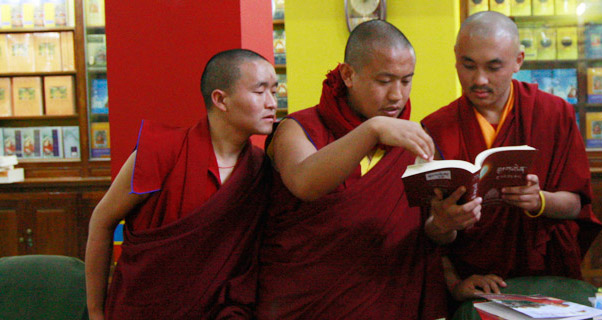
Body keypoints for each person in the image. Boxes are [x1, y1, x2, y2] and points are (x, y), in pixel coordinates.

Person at [255, 20, 452, 319]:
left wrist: (446, 224)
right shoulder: (299, 128)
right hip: (307, 306)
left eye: (406, 80)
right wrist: (372, 130)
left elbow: (431, 237)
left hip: (390, 304)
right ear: (348, 75)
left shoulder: (414, 141)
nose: (397, 95)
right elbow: (303, 182)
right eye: (384, 81)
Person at [85, 49, 279, 319]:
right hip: (144, 309)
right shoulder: (161, 151)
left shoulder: (259, 169)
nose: (272, 103)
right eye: (260, 92)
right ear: (220, 100)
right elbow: (102, 220)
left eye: (274, 91)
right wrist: (96, 312)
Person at [421, 11, 602, 302]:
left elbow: (575, 205)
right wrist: (455, 279)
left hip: (545, 274)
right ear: (455, 57)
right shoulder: (436, 129)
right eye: (468, 65)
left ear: (518, 60)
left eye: (494, 67)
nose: (479, 79)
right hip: (475, 279)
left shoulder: (554, 113)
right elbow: (427, 232)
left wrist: (539, 200)